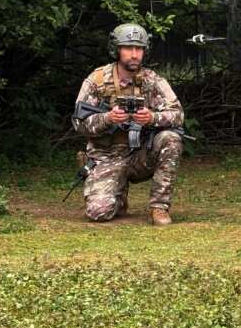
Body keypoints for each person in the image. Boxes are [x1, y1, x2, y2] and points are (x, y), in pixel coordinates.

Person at [72, 23, 184, 225]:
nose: (134, 54)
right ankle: (117, 197)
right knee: (99, 212)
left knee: (171, 139)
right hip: (106, 156)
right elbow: (79, 124)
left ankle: (159, 208)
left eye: (139, 48)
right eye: (128, 48)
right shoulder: (97, 80)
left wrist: (152, 118)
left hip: (138, 155)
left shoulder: (152, 81)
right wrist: (108, 118)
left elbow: (177, 115)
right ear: (116, 49)